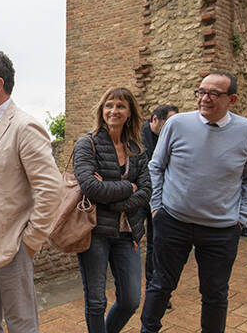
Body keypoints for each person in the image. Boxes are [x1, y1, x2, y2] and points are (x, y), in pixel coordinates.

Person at [140, 71, 247, 333]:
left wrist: (243, 218)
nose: (204, 98)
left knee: (215, 294)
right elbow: (156, 166)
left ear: (232, 99)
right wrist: (157, 207)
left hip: (221, 230)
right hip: (173, 222)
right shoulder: (177, 125)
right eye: (201, 92)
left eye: (213, 94)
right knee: (161, 285)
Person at [0, 51, 63, 332]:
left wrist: (30, 242)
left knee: (21, 325)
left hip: (11, 246)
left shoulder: (24, 127)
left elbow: (51, 189)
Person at [74, 87, 152, 333]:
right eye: (109, 105)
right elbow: (90, 187)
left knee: (130, 300)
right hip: (95, 230)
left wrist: (113, 196)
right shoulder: (87, 144)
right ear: (101, 110)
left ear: (129, 113)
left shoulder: (137, 150)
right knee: (96, 301)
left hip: (128, 234)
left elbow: (147, 190)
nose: (114, 111)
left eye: (120, 106)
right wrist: (129, 186)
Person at [140, 104, 178, 299]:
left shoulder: (171, 137)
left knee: (158, 243)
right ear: (155, 119)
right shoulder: (138, 138)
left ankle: (154, 287)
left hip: (160, 199)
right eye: (168, 122)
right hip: (138, 199)